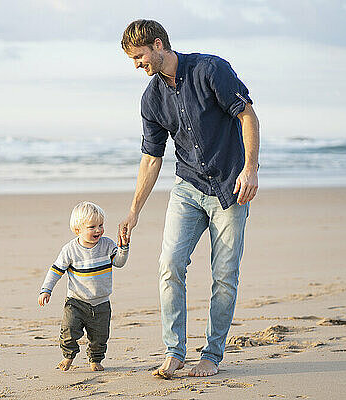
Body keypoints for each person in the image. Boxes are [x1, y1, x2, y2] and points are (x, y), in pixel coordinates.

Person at [118, 19, 260, 378]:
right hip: (188, 188)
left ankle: (212, 355)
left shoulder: (211, 69)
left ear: (158, 44)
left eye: (139, 56)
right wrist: (133, 211)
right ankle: (175, 351)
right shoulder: (151, 98)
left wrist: (251, 168)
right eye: (133, 59)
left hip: (231, 188)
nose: (137, 65)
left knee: (225, 275)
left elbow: (247, 115)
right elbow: (152, 157)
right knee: (169, 264)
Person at [38, 201, 129, 371]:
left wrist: (123, 246)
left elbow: (119, 262)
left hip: (101, 303)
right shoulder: (70, 250)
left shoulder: (107, 245)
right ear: (78, 229)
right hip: (76, 301)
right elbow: (56, 271)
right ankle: (68, 356)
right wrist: (46, 290)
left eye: (101, 225)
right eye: (92, 226)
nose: (98, 230)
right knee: (69, 331)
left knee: (100, 336)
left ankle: (95, 360)